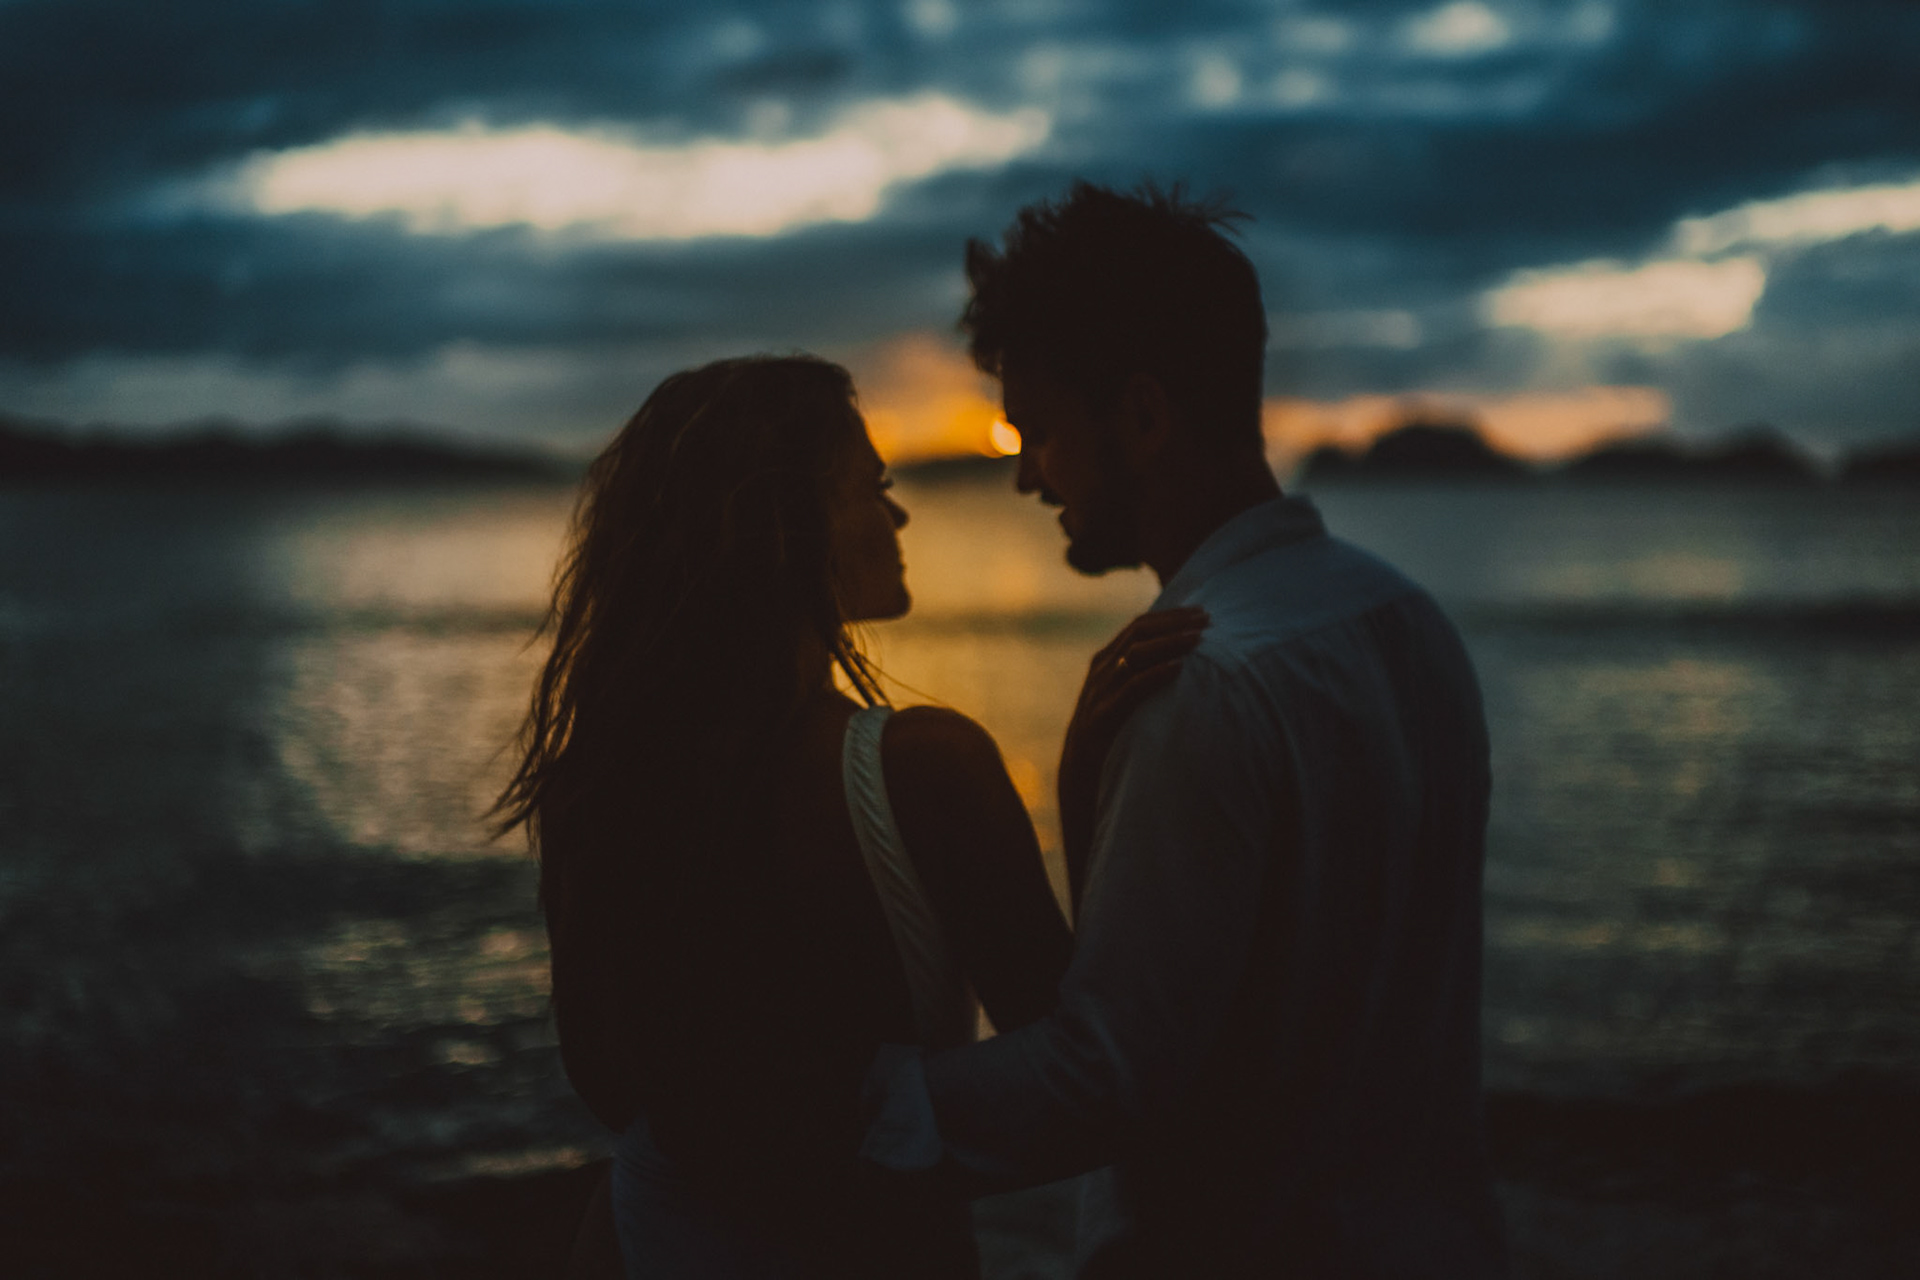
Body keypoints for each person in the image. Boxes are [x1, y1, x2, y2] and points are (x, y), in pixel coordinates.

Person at [862, 183, 1509, 1277]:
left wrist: (839, 1111)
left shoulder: (1198, 683)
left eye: (1040, 431)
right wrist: (1086, 795)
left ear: (1144, 415)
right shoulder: (1408, 621)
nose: (1025, 475)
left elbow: (1102, 1079)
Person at [494, 354, 1199, 1278]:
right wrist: (1082, 783)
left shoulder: (595, 782)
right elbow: (1078, 1078)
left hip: (648, 1242)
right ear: (792, 527)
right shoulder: (923, 768)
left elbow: (611, 1086)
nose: (897, 517)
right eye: (874, 488)